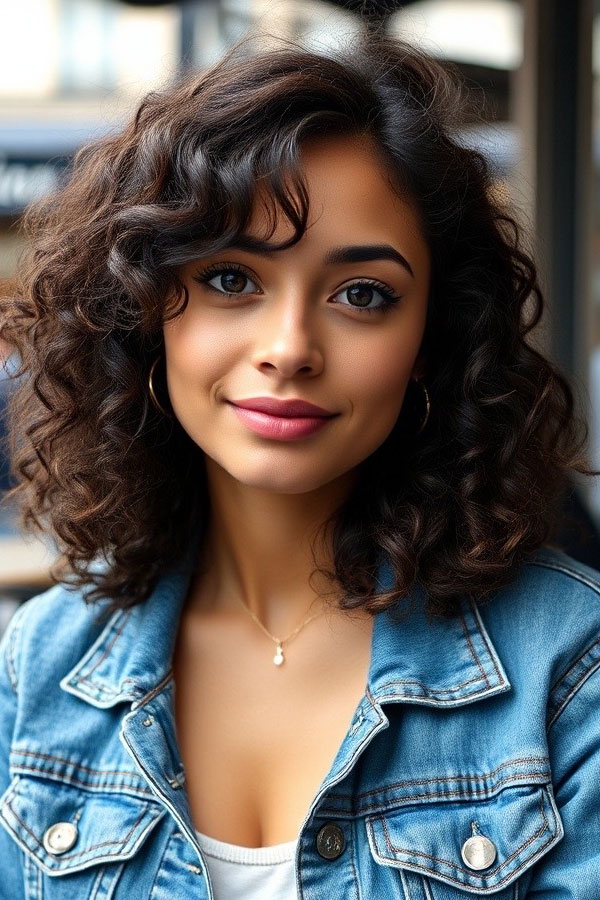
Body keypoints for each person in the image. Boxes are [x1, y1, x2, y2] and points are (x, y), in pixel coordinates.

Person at [0, 28, 599, 900]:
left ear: (430, 341)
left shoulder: (569, 673)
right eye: (231, 280)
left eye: (363, 295)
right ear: (146, 310)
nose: (288, 349)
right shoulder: (44, 664)